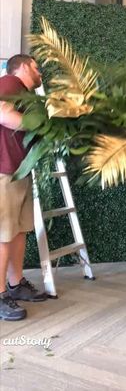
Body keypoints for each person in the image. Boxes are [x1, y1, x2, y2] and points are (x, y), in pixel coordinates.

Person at [0, 54, 47, 321]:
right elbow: (3, 114)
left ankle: (16, 285)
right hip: (4, 171)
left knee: (18, 232)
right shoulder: (9, 82)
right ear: (24, 66)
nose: (40, 73)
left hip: (19, 171)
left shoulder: (26, 94)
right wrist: (41, 124)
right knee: (4, 235)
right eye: (37, 67)